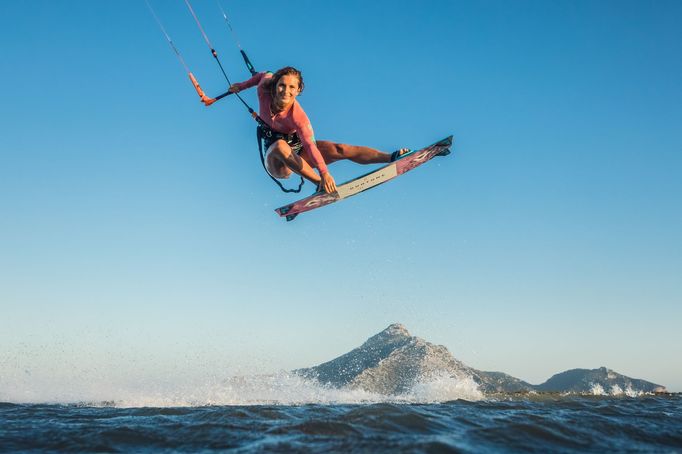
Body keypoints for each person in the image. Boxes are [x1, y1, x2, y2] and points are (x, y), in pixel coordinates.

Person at [229, 67, 409, 194]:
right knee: (280, 146)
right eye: (282, 85)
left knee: (340, 149)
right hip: (276, 162)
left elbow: (310, 145)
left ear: (298, 90)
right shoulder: (264, 89)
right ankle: (319, 184)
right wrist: (242, 85)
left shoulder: (299, 117)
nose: (286, 91)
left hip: (298, 153)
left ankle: (391, 157)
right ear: (275, 85)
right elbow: (262, 74)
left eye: (292, 87)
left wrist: (325, 172)